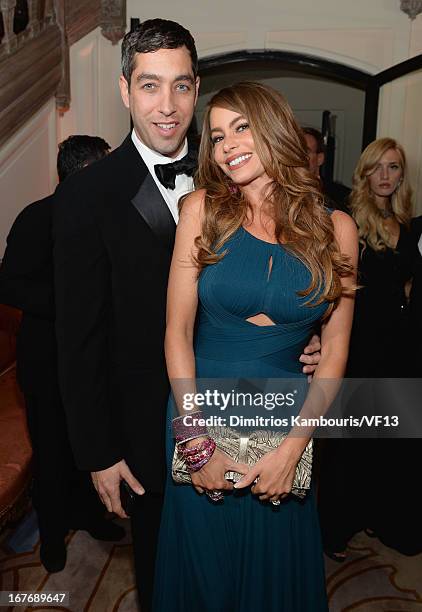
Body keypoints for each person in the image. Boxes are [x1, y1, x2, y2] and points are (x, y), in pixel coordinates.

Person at [52, 21, 322, 610]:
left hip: (256, 405)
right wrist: (98, 451)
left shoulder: (233, 164)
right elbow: (75, 340)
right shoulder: (86, 194)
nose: (167, 106)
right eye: (150, 86)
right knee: (171, 582)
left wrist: (307, 332)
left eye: (180, 86)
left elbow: (304, 257)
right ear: (125, 91)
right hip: (146, 433)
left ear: (197, 88)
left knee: (258, 573)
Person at [153, 81, 357, 611]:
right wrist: (192, 440)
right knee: (204, 577)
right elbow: (176, 333)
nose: (227, 145)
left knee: (275, 583)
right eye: (216, 136)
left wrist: (294, 449)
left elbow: (334, 353)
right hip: (199, 412)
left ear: (273, 129)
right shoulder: (201, 210)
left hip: (289, 423)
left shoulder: (337, 229)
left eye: (240, 127)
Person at [0, 135, 127, 574]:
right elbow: (9, 284)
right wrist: (72, 301)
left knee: (89, 445)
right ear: (87, 170)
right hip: (46, 362)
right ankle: (52, 538)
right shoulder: (37, 217)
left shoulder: (107, 217)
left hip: (95, 360)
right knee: (52, 453)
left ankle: (91, 517)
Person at [318, 137, 422, 559]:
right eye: (377, 167)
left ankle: (382, 517)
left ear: (401, 175)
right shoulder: (349, 221)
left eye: (394, 167)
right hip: (359, 343)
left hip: (400, 347)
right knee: (351, 442)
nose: (385, 176)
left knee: (391, 441)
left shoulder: (409, 224)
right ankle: (335, 528)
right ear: (364, 172)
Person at [302, 126, 350, 212]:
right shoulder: (280, 192)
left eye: (306, 152)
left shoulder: (340, 196)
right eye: (295, 151)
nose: (299, 156)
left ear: (320, 158)